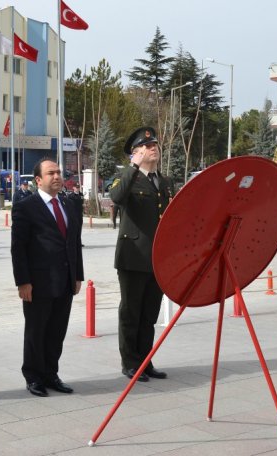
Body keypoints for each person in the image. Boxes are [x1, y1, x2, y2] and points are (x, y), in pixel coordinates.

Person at [11, 158, 84, 397]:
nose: (57, 176)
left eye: (59, 172)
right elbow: (18, 247)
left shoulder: (69, 204)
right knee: (36, 331)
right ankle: (33, 377)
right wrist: (23, 281)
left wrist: (77, 276)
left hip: (65, 281)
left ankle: (51, 374)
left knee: (57, 331)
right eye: (51, 173)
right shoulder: (26, 206)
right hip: (38, 282)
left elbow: (73, 243)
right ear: (38, 180)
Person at [110, 126, 174, 382]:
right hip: (133, 257)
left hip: (157, 259)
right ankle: (130, 363)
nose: (154, 149)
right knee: (131, 312)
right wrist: (133, 167)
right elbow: (116, 196)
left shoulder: (164, 181)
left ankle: (145, 361)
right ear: (135, 153)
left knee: (149, 314)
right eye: (147, 147)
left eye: (155, 145)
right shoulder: (127, 178)